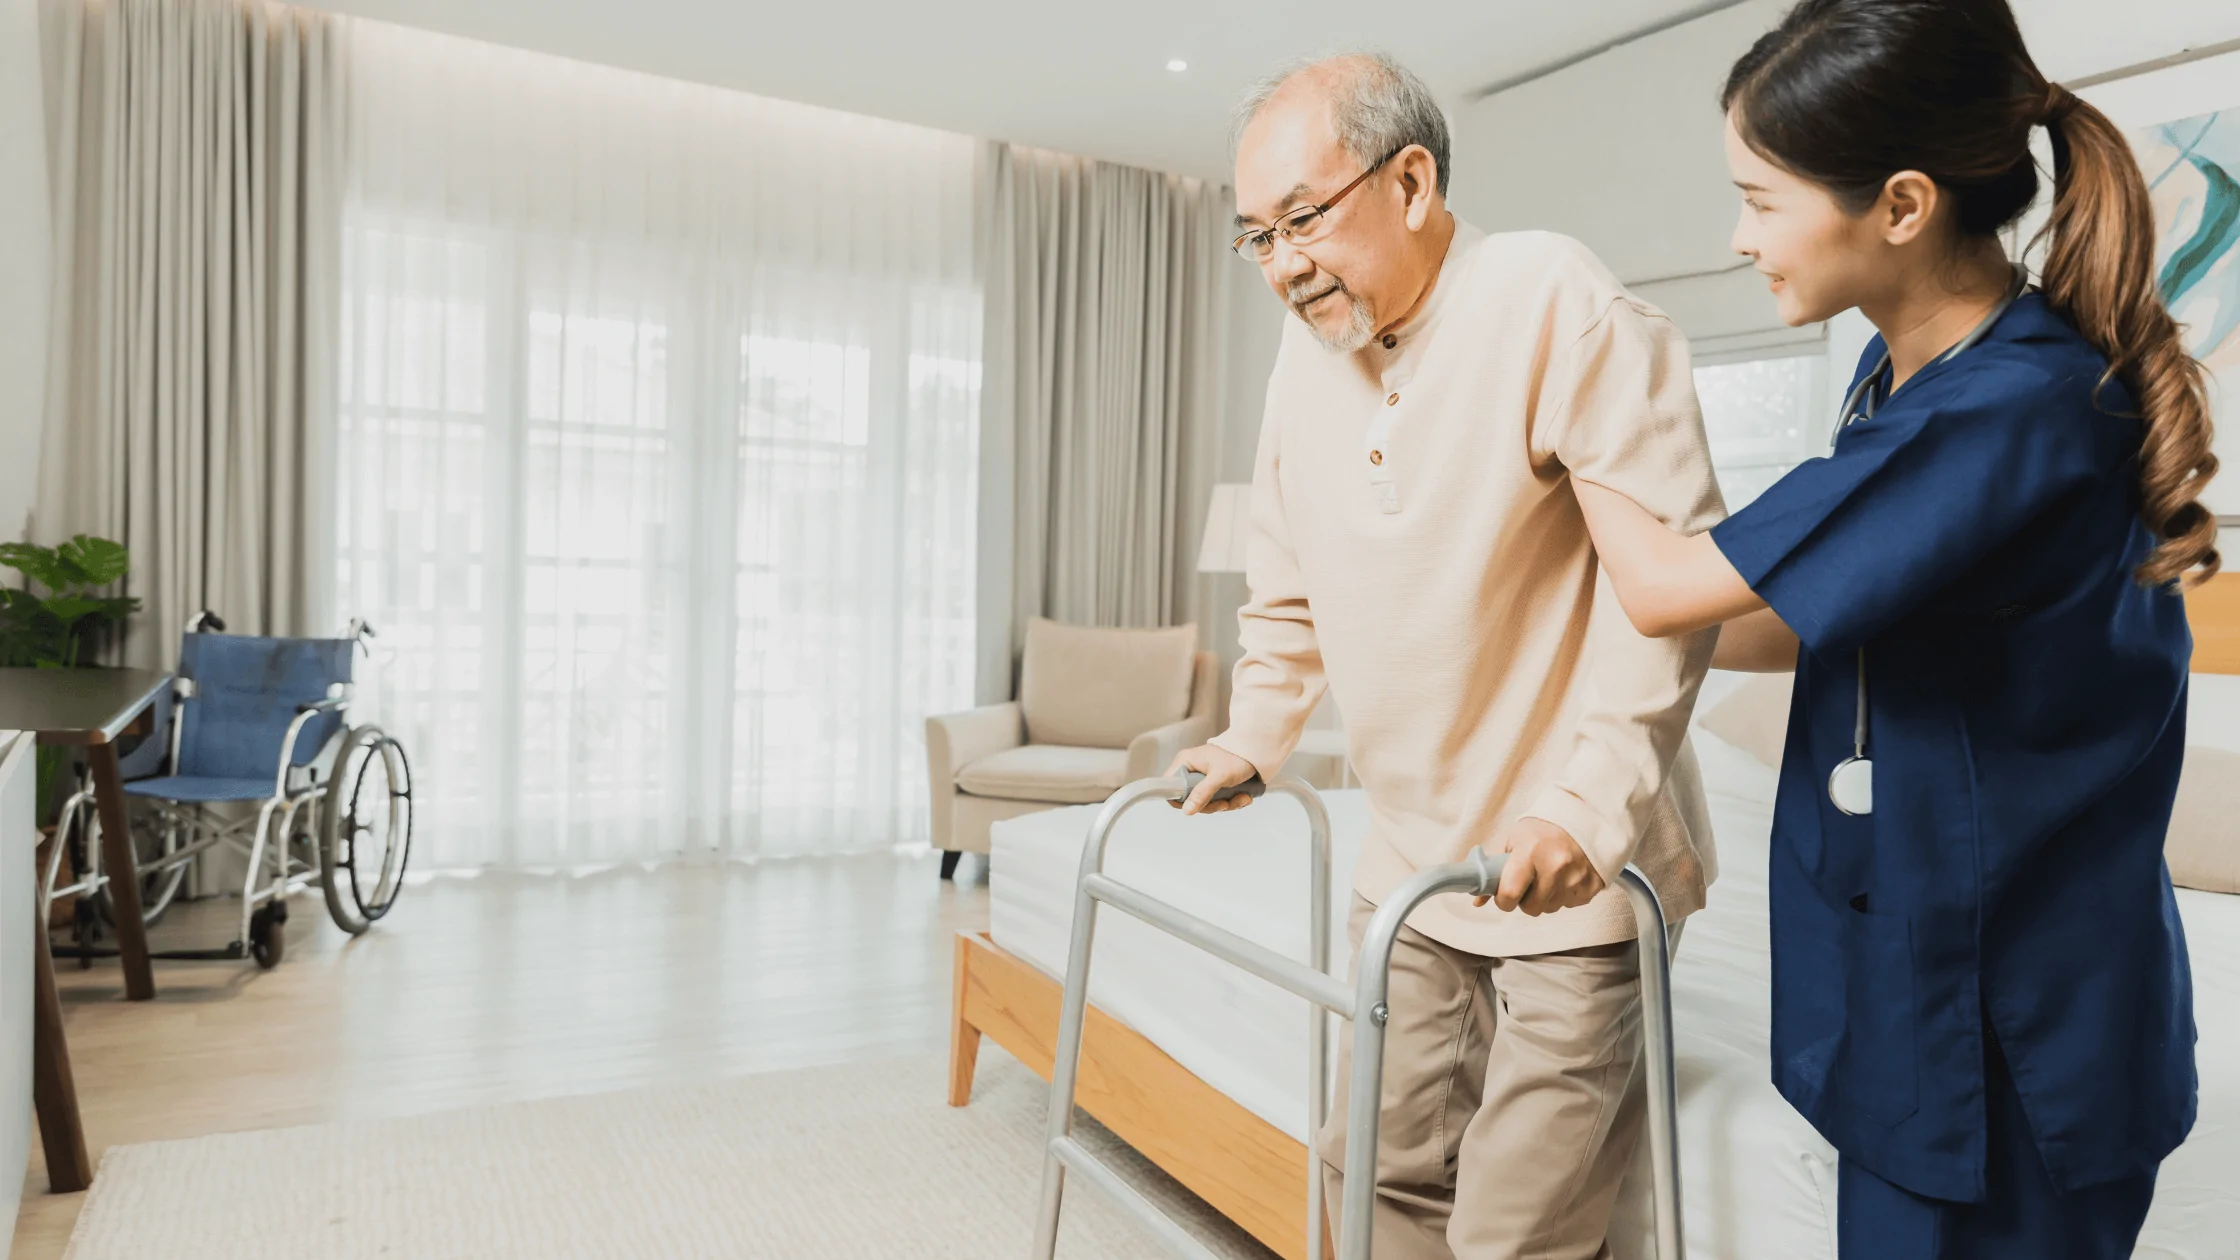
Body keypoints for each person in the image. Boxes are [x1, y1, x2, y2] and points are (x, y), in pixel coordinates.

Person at [1565, 2, 2218, 1256]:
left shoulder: (2010, 408)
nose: (1737, 237)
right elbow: (1788, 628)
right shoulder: (1901, 379)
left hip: (2014, 1027)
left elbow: (1659, 586)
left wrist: (1570, 381)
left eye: (1759, 200)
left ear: (1902, 206)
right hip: (1918, 990)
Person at [1171, 53, 1725, 1259]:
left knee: (1515, 1229)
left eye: (1301, 220)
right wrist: (1255, 732)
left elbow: (1665, 600)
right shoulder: (1305, 358)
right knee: (1371, 1172)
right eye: (1254, 236)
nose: (1279, 265)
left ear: (1411, 180)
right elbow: (1286, 577)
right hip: (1409, 854)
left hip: (1569, 864)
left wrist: (1589, 809)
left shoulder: (1551, 302)